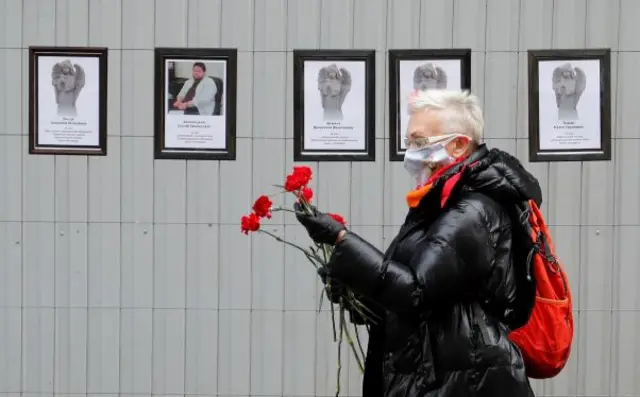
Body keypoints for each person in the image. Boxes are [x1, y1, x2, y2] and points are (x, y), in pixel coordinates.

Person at [295, 89, 541, 397]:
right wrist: (353, 287)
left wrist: (341, 239)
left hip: (463, 380)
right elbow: (411, 292)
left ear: (458, 145)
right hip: (439, 372)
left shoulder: (471, 210)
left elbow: (416, 292)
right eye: (409, 142)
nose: (410, 152)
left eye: (419, 142)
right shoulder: (438, 204)